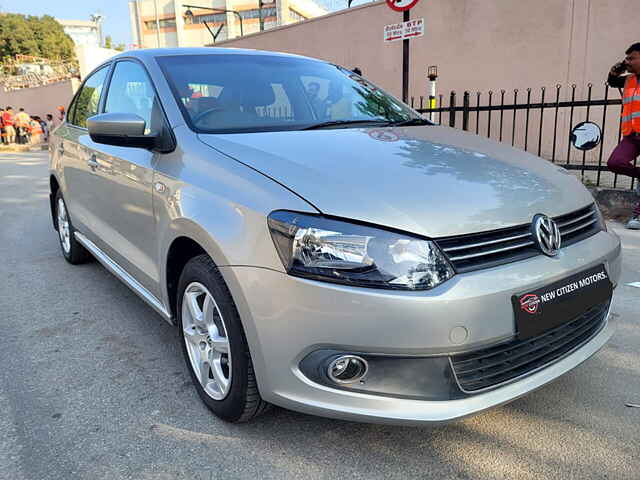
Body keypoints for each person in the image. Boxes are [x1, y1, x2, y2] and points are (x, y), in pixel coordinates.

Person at [607, 42, 640, 230]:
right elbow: (612, 82)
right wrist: (614, 72)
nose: (627, 62)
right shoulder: (629, 79)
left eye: (631, 58)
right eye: (626, 58)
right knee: (615, 163)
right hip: (632, 135)